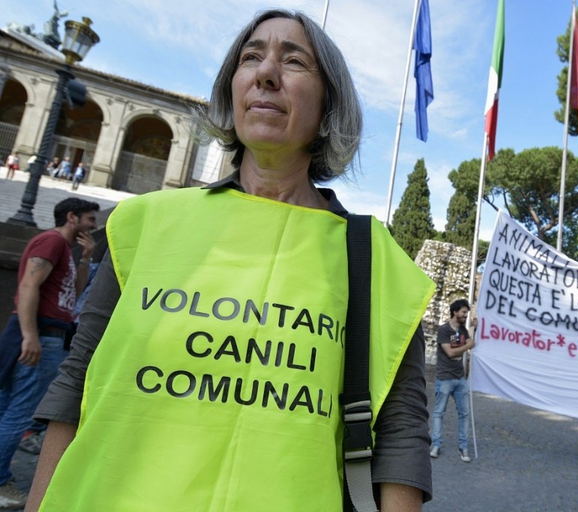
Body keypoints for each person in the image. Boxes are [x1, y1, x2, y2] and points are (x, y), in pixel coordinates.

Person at [27, 10, 435, 512]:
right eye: (250, 57)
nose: (266, 73)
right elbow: (77, 382)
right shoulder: (144, 223)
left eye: (294, 61)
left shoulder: (377, 261)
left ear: (329, 106)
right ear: (232, 87)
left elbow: (401, 435)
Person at [0, 198, 97, 509]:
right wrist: (30, 335)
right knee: (21, 411)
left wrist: (85, 258)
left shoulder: (64, 249)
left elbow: (75, 293)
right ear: (71, 217)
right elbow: (29, 286)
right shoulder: (52, 241)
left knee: (10, 407)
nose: (93, 225)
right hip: (41, 333)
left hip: (43, 332)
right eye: (89, 219)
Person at [430, 299, 476, 463]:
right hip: (444, 379)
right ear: (455, 312)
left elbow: (469, 344)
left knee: (464, 414)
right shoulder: (444, 330)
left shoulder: (463, 330)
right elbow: (450, 353)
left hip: (460, 379)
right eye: (463, 312)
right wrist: (469, 344)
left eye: (466, 312)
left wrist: (473, 334)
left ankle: (463, 447)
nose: (466, 315)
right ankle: (436, 445)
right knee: (439, 413)